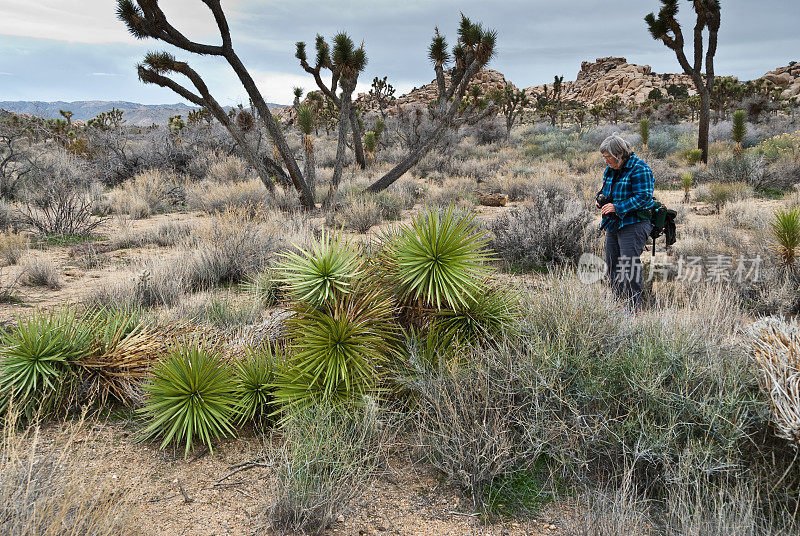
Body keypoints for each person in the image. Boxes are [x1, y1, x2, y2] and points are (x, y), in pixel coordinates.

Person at [596, 134, 655, 310]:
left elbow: (644, 198)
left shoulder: (640, 169)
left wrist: (617, 207)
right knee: (612, 264)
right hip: (614, 223)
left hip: (634, 223)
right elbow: (605, 190)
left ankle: (633, 307)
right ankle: (617, 304)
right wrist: (600, 199)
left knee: (629, 265)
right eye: (604, 157)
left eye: (609, 157)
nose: (606, 161)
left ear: (620, 154)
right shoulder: (611, 169)